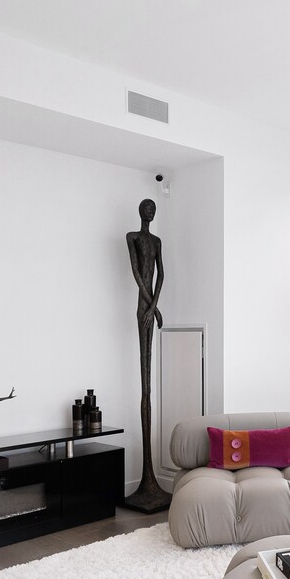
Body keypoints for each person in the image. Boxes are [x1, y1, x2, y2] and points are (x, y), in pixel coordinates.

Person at [123, 198, 170, 511]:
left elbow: (161, 274)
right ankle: (145, 481)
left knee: (149, 386)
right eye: (147, 209)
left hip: (150, 306)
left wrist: (155, 304)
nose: (150, 213)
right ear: (141, 212)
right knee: (144, 385)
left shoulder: (156, 240)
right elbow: (138, 274)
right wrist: (151, 305)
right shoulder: (134, 238)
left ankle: (151, 480)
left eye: (154, 209)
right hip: (143, 307)